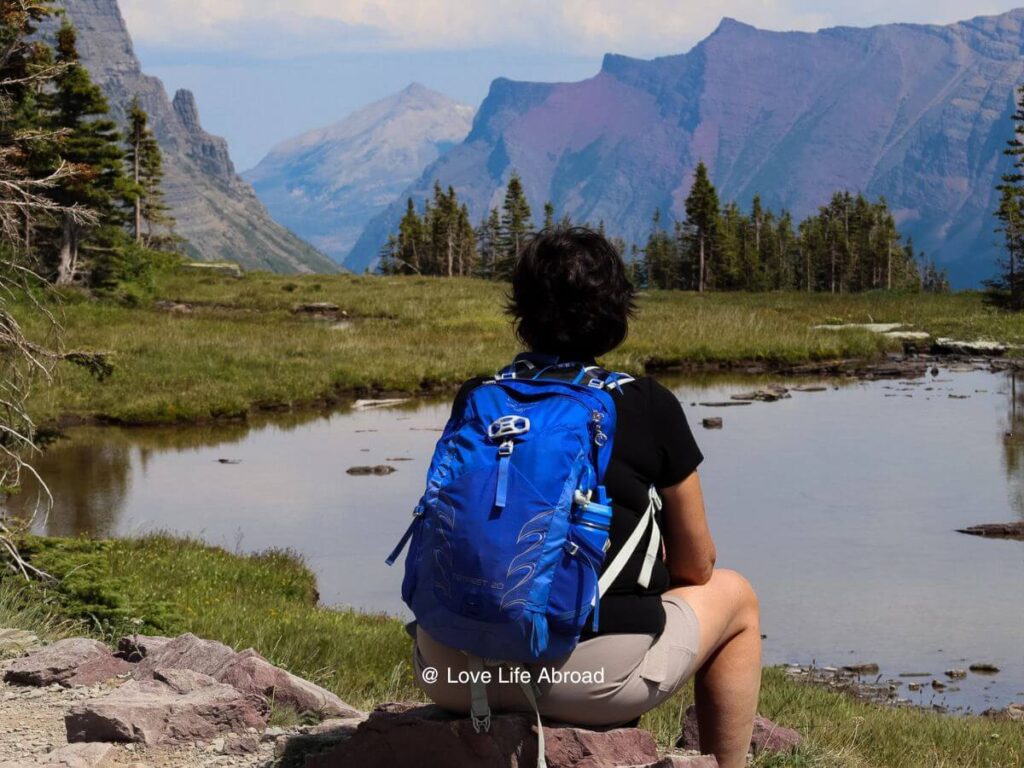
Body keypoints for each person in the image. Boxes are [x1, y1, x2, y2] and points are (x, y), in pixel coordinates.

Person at [413, 227, 761, 768]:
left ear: (522, 310)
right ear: (617, 310)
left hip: (450, 671)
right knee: (737, 596)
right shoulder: (646, 403)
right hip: (587, 682)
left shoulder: (479, 398)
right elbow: (697, 565)